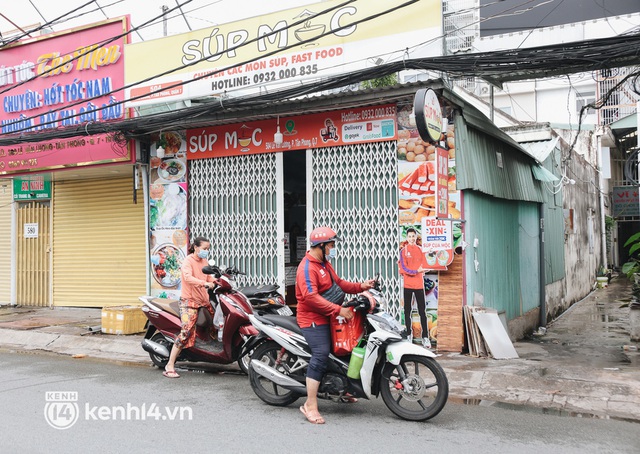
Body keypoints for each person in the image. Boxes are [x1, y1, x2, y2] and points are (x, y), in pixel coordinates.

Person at [296, 226, 375, 424]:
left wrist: (360, 287)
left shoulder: (324, 264)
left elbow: (338, 283)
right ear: (320, 245)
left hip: (329, 315)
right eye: (331, 245)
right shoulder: (307, 267)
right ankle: (310, 405)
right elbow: (310, 297)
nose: (333, 248)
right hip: (312, 319)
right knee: (321, 353)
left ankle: (341, 388)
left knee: (345, 348)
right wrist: (338, 310)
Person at [164, 236, 219, 378]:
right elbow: (188, 278)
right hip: (189, 302)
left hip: (203, 301)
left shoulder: (204, 261)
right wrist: (204, 283)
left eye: (208, 249)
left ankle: (213, 359)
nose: (206, 251)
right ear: (196, 247)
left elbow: (208, 278)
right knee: (186, 332)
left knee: (214, 326)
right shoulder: (188, 261)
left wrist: (218, 280)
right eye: (204, 249)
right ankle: (170, 364)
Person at [398, 227, 431, 348]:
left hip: (419, 285)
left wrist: (427, 268)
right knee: (407, 311)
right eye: (410, 236)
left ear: (416, 237)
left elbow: (427, 264)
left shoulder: (421, 250)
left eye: (413, 236)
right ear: (407, 238)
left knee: (422, 311)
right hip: (407, 285)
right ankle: (408, 335)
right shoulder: (403, 251)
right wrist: (417, 270)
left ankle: (425, 337)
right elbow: (403, 269)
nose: (412, 238)